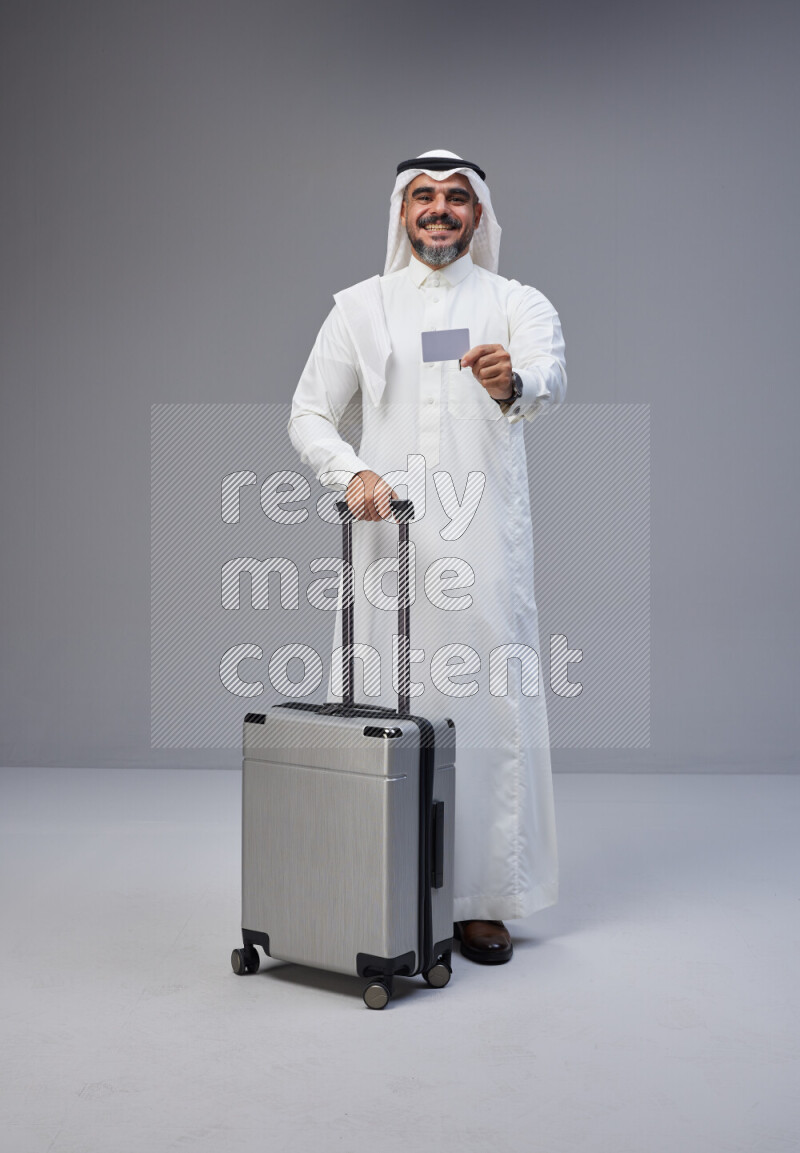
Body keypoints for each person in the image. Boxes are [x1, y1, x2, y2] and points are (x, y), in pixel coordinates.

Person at [288, 149, 566, 965]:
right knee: (384, 699)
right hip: (390, 543)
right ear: (401, 213)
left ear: (478, 215)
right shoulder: (361, 307)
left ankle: (481, 901)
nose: (439, 210)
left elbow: (551, 377)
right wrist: (352, 470)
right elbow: (308, 413)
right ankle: (381, 881)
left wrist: (513, 379)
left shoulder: (516, 303)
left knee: (485, 715)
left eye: (455, 198)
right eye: (423, 197)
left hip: (484, 547)